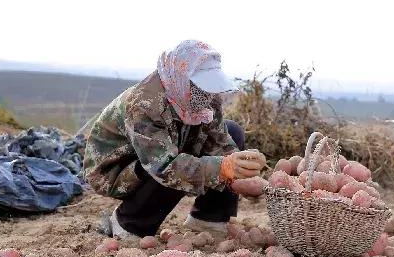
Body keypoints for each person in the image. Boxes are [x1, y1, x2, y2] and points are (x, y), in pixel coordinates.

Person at [83, 39, 266, 238]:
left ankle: (208, 219)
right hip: (114, 171)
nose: (207, 96)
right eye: (201, 87)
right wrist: (221, 168)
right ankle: (129, 224)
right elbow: (164, 165)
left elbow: (220, 142)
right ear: (182, 77)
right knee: (179, 157)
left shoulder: (205, 97)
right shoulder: (145, 103)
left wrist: (237, 172)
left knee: (233, 131)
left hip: (160, 152)